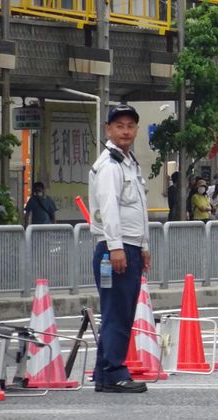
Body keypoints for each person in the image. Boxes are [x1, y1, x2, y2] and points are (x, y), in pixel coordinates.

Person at [88, 103, 150, 393]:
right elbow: (109, 209)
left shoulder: (128, 162)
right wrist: (115, 248)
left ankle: (104, 373)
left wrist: (144, 246)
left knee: (119, 311)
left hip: (129, 245)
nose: (125, 131)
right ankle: (114, 372)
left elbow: (138, 210)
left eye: (130, 126)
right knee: (118, 313)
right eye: (119, 126)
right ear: (108, 130)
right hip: (117, 247)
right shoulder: (110, 165)